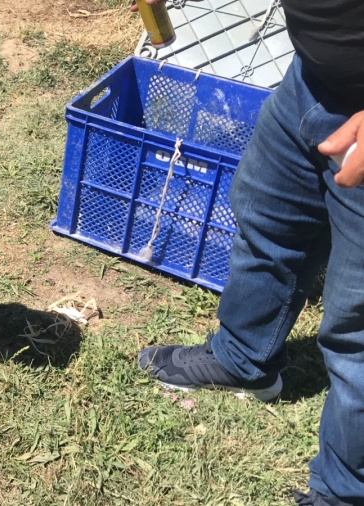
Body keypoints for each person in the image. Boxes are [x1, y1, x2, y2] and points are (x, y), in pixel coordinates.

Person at [136, 1, 364, 504]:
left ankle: (344, 493)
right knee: (269, 217)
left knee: (358, 328)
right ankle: (244, 357)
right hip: (313, 80)